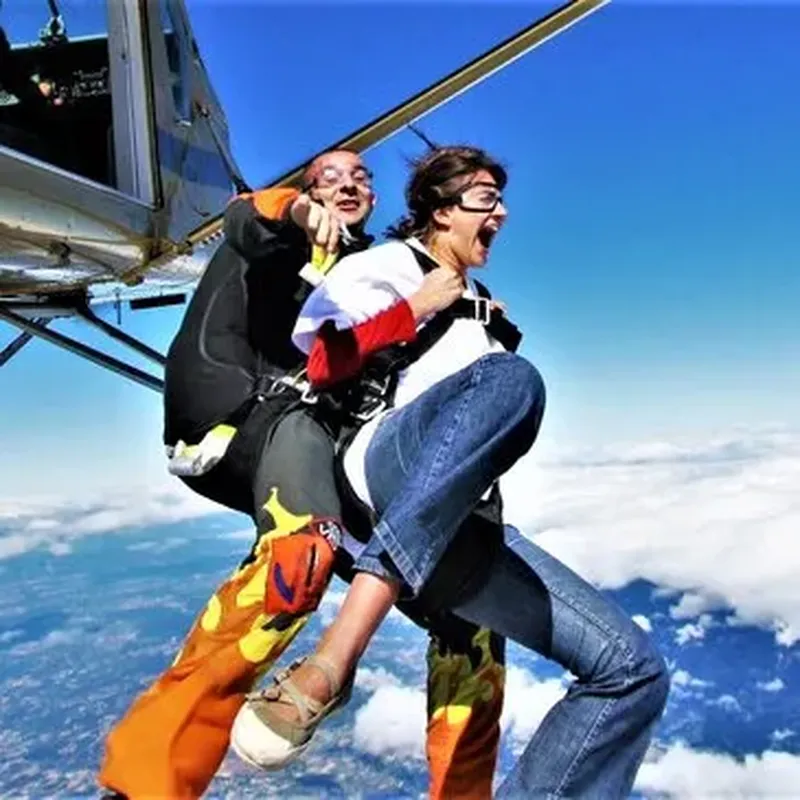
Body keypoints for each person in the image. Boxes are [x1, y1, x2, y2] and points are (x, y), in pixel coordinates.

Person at [234, 145, 671, 797]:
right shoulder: (390, 264)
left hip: (460, 529)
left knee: (632, 671)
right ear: (441, 212)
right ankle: (338, 653)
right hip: (386, 467)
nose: (501, 213)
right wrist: (420, 304)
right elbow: (324, 363)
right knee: (510, 381)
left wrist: (472, 314)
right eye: (485, 199)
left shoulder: (479, 301)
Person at [97, 147, 508, 800]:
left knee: (473, 613)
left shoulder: (370, 270)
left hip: (311, 433)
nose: (348, 186)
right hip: (241, 412)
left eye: (361, 179)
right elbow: (248, 218)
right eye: (329, 178)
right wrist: (296, 207)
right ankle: (145, 785)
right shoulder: (275, 226)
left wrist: (465, 322)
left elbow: (364, 361)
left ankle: (464, 791)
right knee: (299, 556)